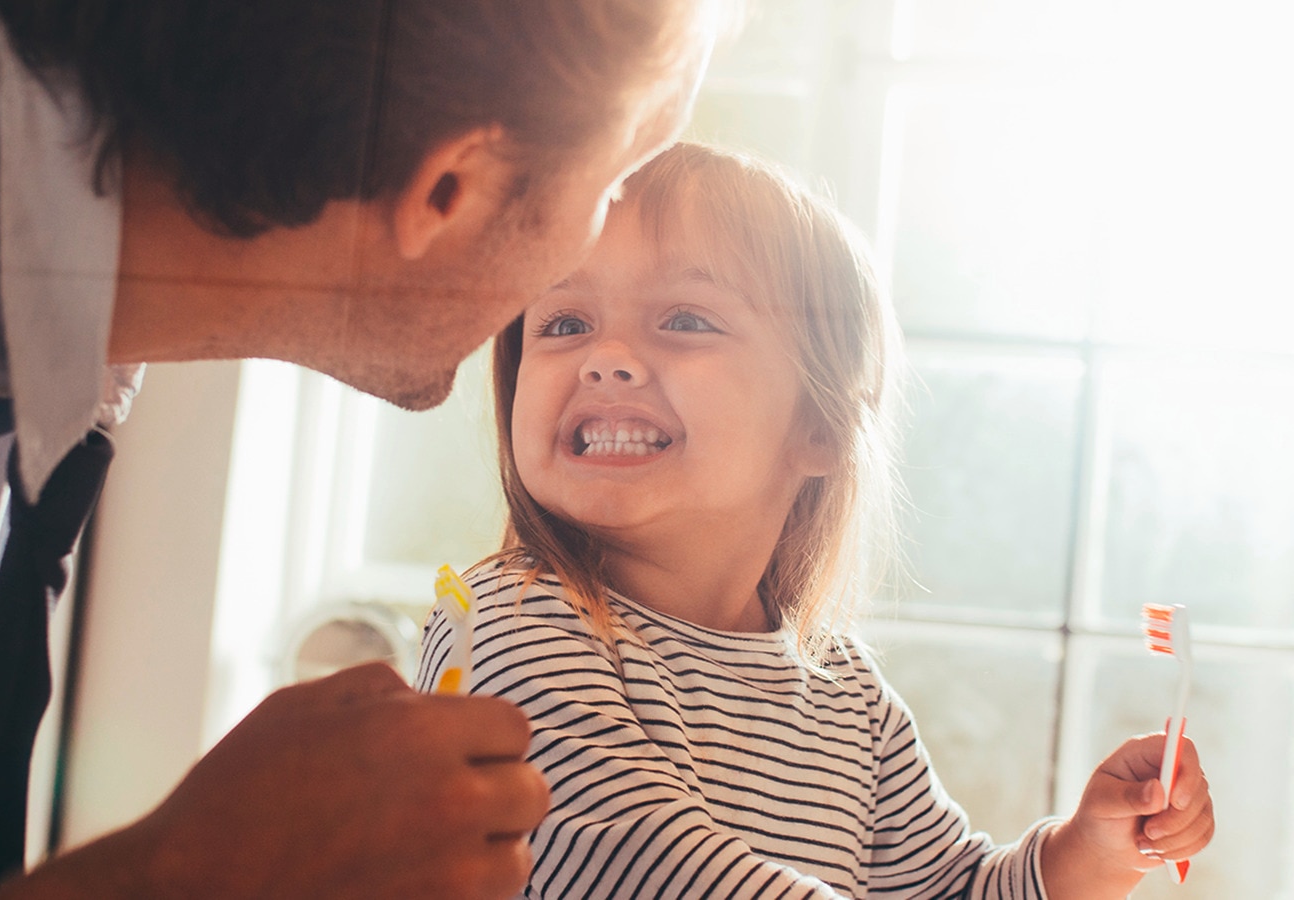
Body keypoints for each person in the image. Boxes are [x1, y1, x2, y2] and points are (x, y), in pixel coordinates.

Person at [0, 0, 726, 896]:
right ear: (450, 189)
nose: (589, 258)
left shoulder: (28, 315)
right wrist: (180, 877)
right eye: (614, 178)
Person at [415, 142, 1216, 898]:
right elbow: (639, 865)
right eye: (563, 323)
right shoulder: (507, 622)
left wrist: (1085, 854)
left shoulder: (849, 698)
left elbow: (947, 888)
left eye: (685, 319)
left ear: (820, 428)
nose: (605, 355)